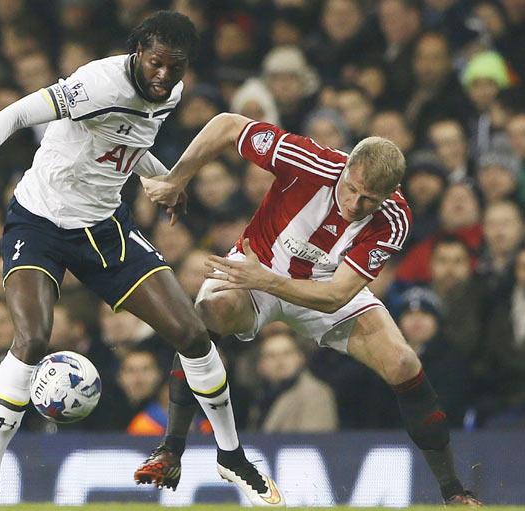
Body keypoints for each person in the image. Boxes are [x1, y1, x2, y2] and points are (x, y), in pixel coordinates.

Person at [0, 11, 280, 506]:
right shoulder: (94, 84)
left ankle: (231, 455)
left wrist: (166, 177)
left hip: (103, 227)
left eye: (175, 67)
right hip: (39, 221)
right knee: (31, 339)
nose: (164, 75)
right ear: (138, 53)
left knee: (193, 335)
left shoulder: (171, 94)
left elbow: (128, 142)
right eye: (157, 63)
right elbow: (17, 113)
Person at [137, 111, 482, 505]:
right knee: (209, 315)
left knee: (403, 363)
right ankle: (170, 449)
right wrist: (177, 177)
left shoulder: (395, 219)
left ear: (390, 194)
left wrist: (267, 281)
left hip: (316, 287)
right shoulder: (309, 160)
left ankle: (453, 491)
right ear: (346, 166)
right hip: (258, 264)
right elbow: (228, 125)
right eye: (352, 188)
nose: (355, 203)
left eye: (369, 198)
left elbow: (337, 295)